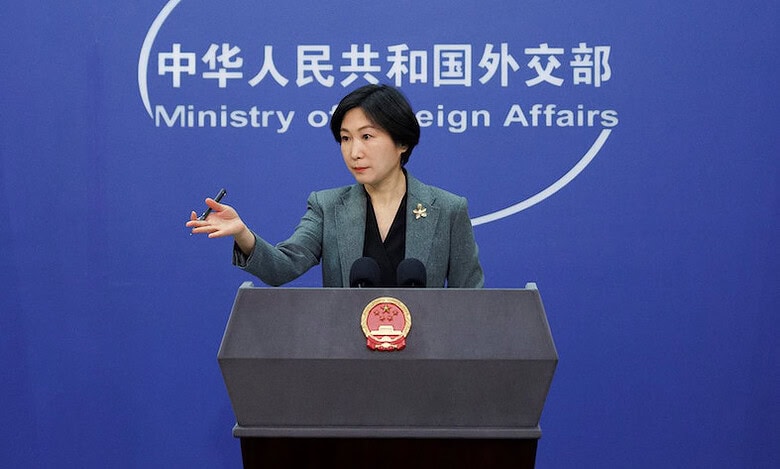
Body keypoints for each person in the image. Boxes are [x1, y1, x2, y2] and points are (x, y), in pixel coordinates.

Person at [187, 84, 484, 288]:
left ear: (402, 142)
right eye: (345, 138)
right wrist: (243, 234)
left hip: (426, 358)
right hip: (345, 355)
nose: (354, 152)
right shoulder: (327, 207)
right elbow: (283, 267)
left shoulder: (448, 210)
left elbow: (471, 303)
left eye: (367, 137)